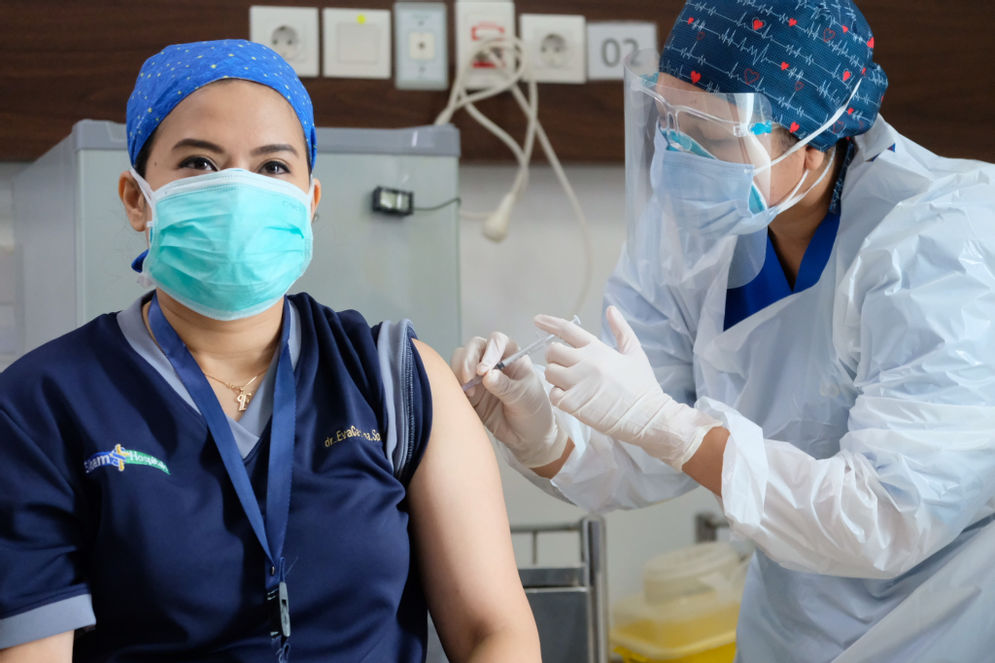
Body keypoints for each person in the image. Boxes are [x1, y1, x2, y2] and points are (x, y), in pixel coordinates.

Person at [452, 1, 995, 661]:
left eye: (710, 136)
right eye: (669, 121)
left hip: (940, 627)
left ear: (815, 131)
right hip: (787, 630)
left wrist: (665, 424)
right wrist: (543, 431)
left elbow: (884, 517)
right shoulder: (696, 231)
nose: (681, 156)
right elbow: (640, 435)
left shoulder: (940, 247)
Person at [0, 39, 540, 662]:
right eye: (200, 163)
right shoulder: (44, 405)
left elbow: (494, 634)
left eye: (273, 167)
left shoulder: (396, 379)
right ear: (135, 198)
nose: (237, 190)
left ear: (309, 203)